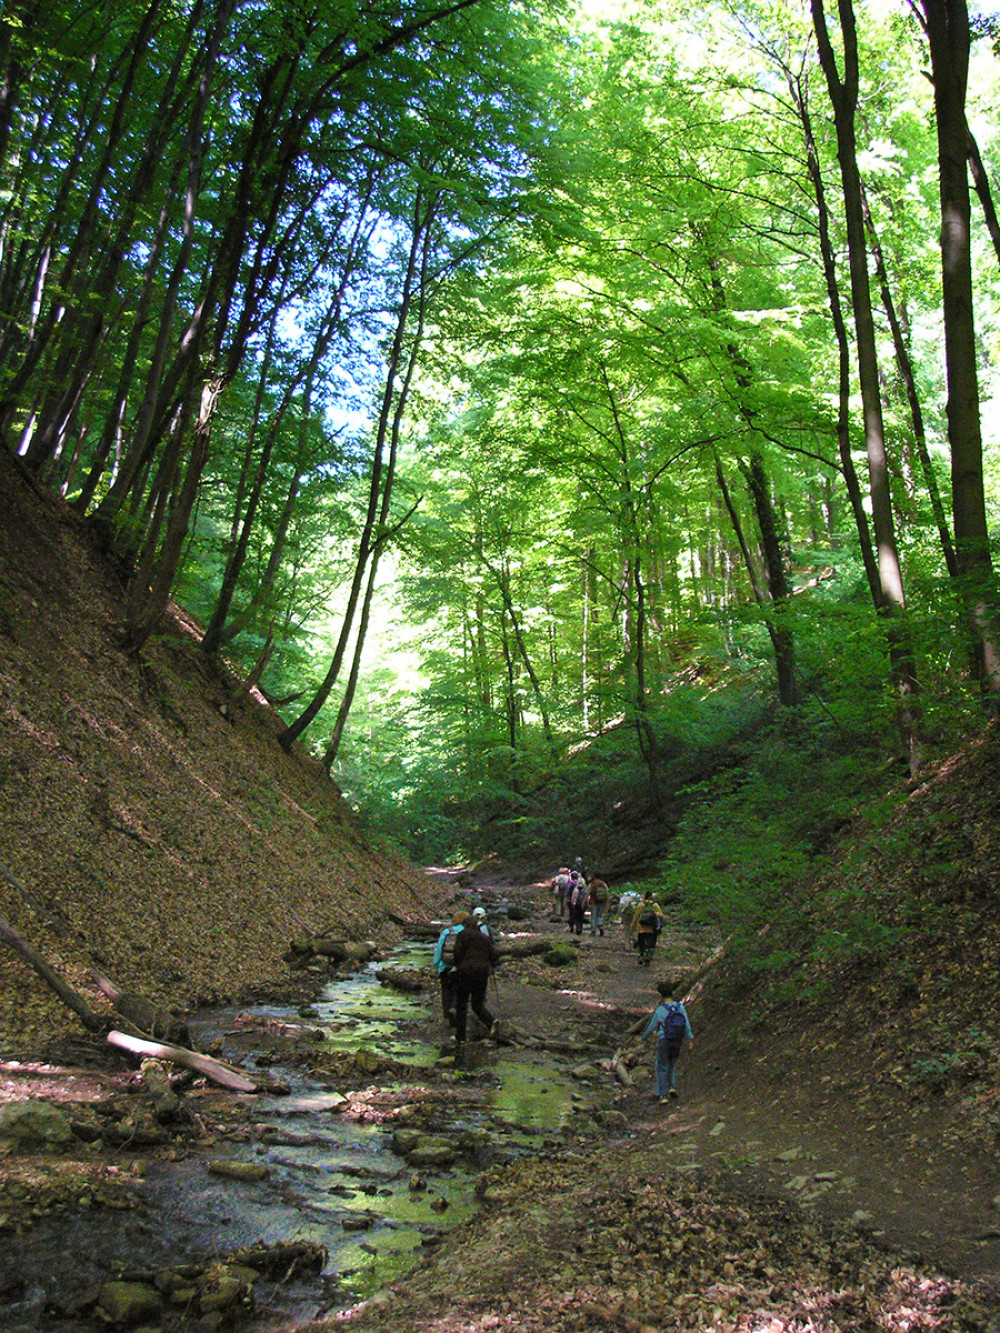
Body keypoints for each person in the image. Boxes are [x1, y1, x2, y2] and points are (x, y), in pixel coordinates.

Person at [452, 912, 499, 1054]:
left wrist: (457, 965)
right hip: (481, 973)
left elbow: (457, 953)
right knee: (477, 1004)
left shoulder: (462, 935)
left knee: (461, 1004)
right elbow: (494, 955)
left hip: (465, 972)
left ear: (465, 925)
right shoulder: (484, 938)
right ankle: (491, 1022)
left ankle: (461, 1036)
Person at [641, 979, 693, 1102]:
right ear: (672, 992)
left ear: (660, 994)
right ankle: (672, 1086)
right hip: (677, 1040)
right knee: (673, 1063)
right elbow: (686, 1025)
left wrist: (643, 1038)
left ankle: (663, 1095)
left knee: (662, 1066)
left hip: (664, 1040)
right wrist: (690, 1039)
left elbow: (651, 1027)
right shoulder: (680, 1007)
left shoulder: (660, 1010)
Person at [432, 912, 467, 1026]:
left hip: (445, 966)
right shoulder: (466, 933)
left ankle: (448, 1014)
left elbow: (439, 950)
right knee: (458, 991)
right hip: (460, 967)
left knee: (446, 991)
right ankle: (456, 1010)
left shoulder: (447, 932)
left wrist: (436, 965)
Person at [630, 891, 663, 965]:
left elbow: (636, 916)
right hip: (652, 929)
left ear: (644, 896)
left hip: (641, 928)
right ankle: (648, 959)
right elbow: (661, 916)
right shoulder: (655, 905)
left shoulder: (640, 905)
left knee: (642, 944)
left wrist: (632, 927)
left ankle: (641, 956)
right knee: (651, 944)